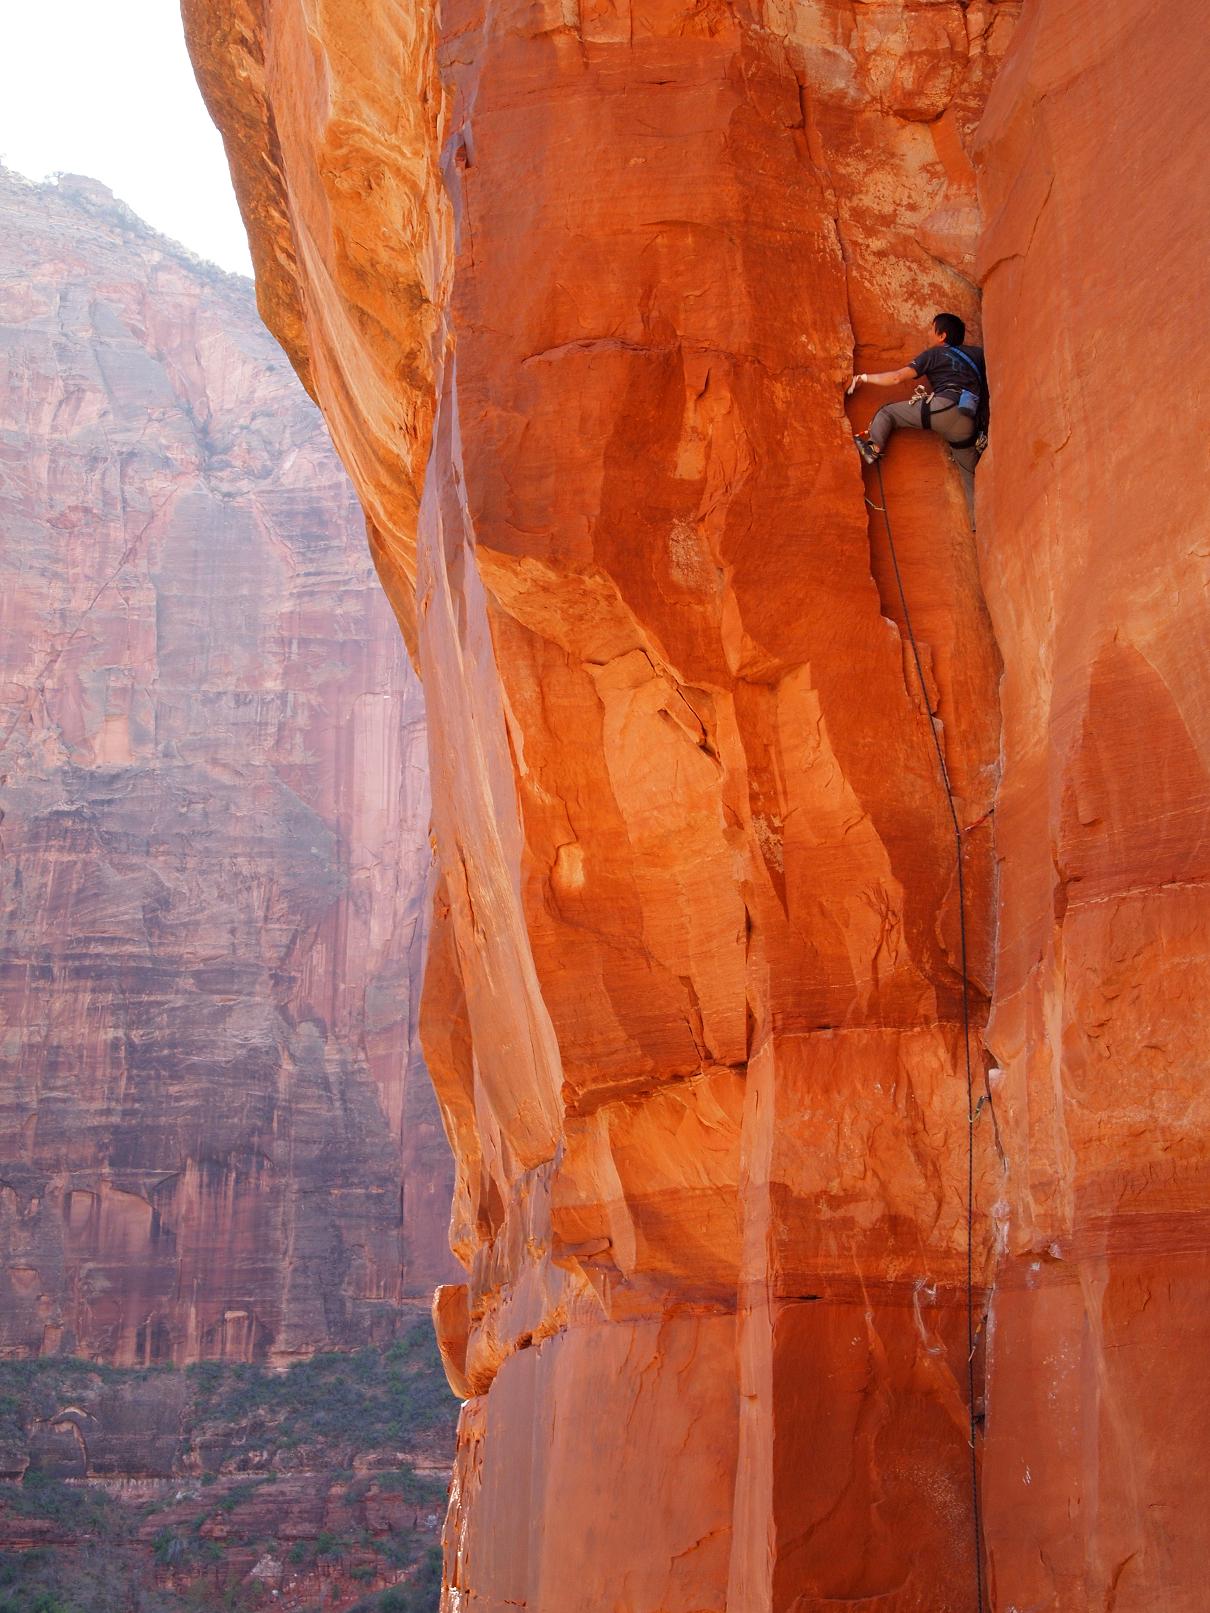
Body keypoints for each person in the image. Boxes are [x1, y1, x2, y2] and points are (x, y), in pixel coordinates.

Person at [846, 313, 988, 523]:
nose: (928, 333)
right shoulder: (976, 355)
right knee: (971, 477)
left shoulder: (933, 355)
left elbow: (896, 377)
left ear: (942, 336)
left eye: (932, 329)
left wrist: (863, 378)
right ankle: (980, 525)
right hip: (968, 422)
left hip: (943, 408)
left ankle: (872, 448)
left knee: (887, 412)